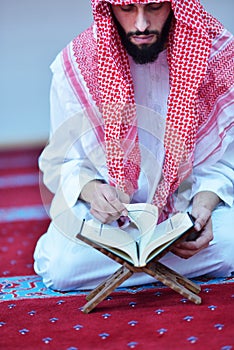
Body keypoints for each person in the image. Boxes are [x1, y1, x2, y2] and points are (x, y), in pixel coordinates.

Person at [34, 0, 234, 291]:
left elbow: (228, 159)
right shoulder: (76, 64)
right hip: (113, 220)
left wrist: (205, 205)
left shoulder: (218, 57)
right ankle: (155, 261)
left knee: (228, 244)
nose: (141, 25)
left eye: (153, 7)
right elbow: (63, 162)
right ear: (108, 8)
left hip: (187, 213)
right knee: (63, 266)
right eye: (127, 9)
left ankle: (131, 263)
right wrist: (92, 192)